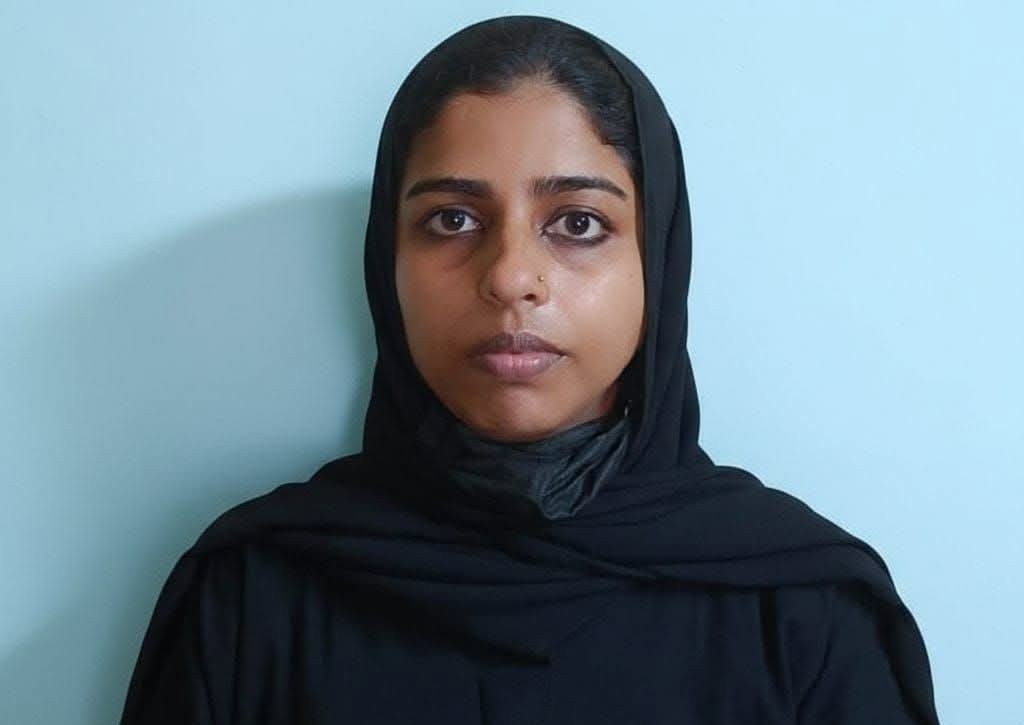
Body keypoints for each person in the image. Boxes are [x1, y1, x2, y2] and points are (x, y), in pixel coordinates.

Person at [119, 14, 940, 724]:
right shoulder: (251, 597)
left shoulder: (805, 611)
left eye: (577, 223)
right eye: (452, 219)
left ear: (656, 262)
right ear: (385, 261)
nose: (511, 276)